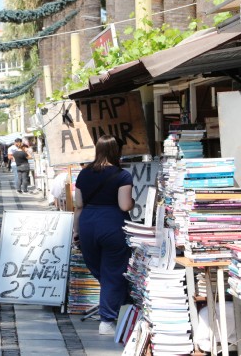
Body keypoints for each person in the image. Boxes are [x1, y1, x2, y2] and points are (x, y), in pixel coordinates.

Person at [73, 135, 134, 335]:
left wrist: (76, 231)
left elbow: (78, 206)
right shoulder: (122, 175)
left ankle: (123, 308)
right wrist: (134, 203)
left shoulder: (83, 174)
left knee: (101, 270)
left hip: (88, 224)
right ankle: (107, 320)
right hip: (112, 224)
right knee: (114, 272)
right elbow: (125, 205)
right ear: (117, 151)